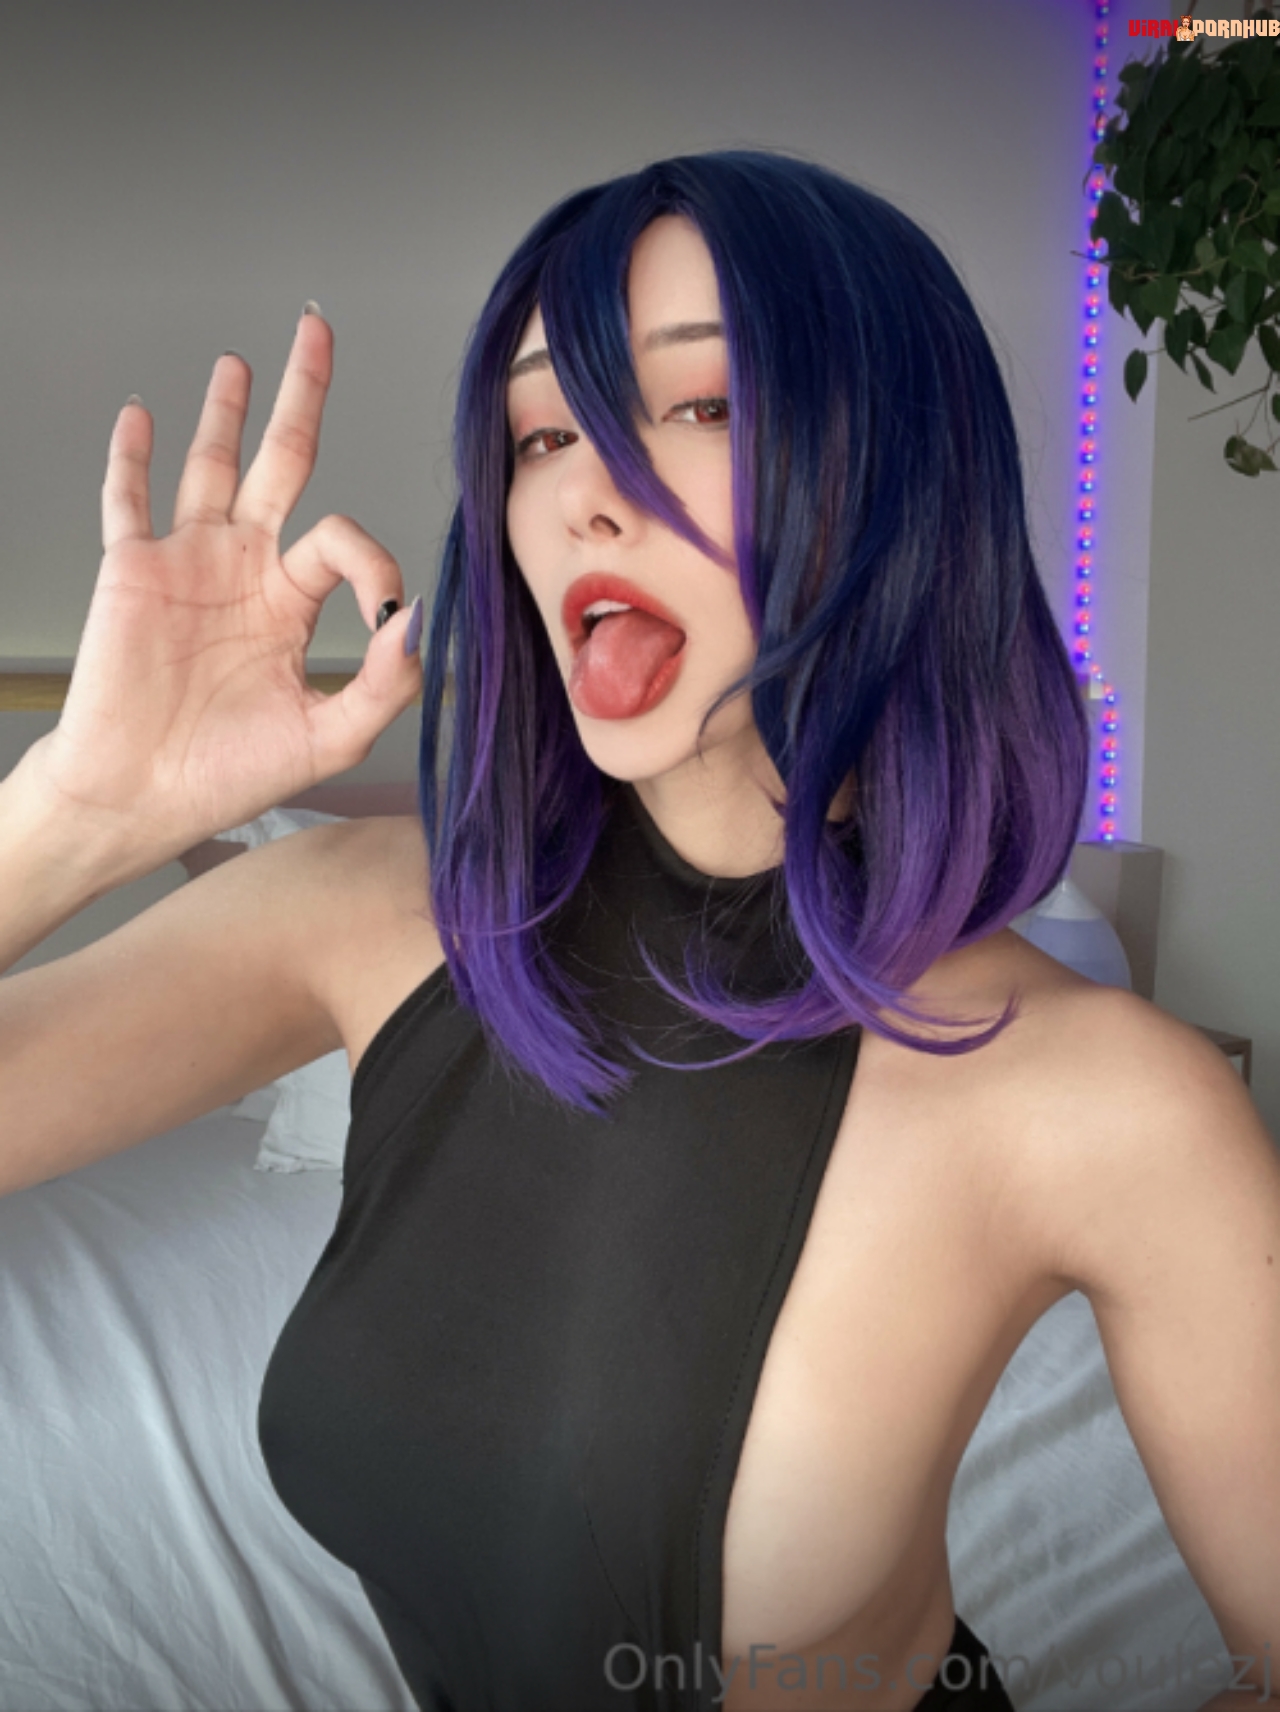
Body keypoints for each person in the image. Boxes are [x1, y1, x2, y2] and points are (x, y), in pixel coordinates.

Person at [0, 150, 1275, 1712]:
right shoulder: (365, 913)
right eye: (544, 434)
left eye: (703, 406)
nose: (583, 495)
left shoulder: (1113, 1102)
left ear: (896, 471)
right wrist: (73, 814)